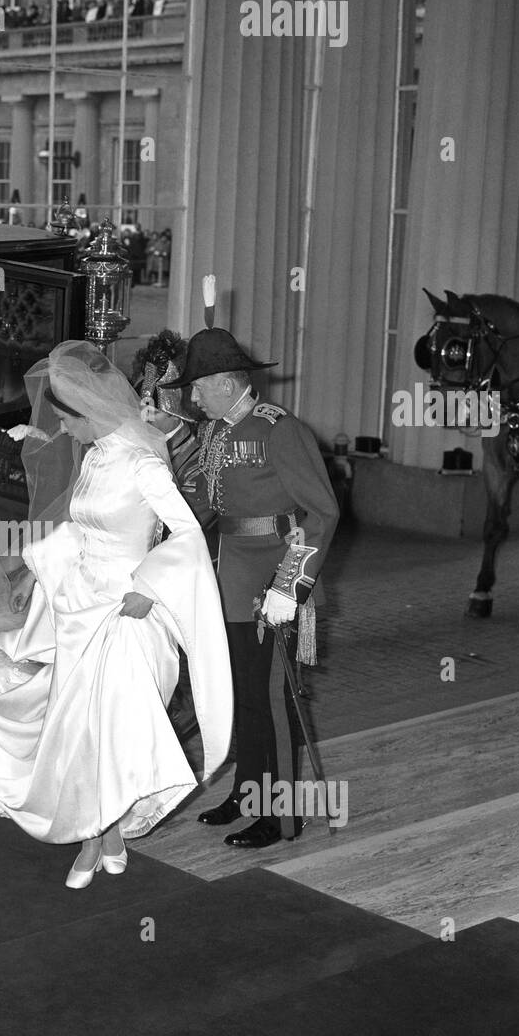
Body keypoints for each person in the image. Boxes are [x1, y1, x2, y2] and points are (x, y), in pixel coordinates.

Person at [0, 340, 232, 888]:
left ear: (91, 411)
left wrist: (149, 585)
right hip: (76, 603)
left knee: (107, 728)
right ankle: (105, 832)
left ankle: (96, 834)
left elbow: (187, 531)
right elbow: (76, 526)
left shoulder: (143, 462)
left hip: (126, 611)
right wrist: (31, 569)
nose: (64, 431)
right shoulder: (95, 456)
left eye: (68, 420)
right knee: (77, 728)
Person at [158, 328, 339, 848]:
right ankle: (248, 792)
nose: (192, 397)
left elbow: (322, 513)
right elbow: (209, 505)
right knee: (244, 696)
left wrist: (290, 585)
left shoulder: (280, 431)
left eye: (197, 387)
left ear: (223, 382)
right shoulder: (216, 433)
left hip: (275, 583)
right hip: (232, 577)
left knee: (274, 701)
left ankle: (282, 814)